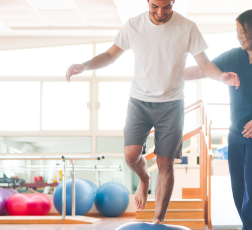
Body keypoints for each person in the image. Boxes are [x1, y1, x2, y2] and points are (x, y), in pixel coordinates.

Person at [65, 0, 238, 224]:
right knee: (131, 155)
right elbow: (109, 55)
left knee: (166, 164)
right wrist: (85, 65)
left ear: (174, 2)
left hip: (172, 103)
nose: (160, 12)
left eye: (166, 7)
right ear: (147, 2)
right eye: (155, 6)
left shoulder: (187, 27)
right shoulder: (133, 26)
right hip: (139, 101)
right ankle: (144, 178)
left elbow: (205, 64)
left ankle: (158, 221)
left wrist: (221, 77)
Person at [184, 9, 252, 230]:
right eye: (237, 31)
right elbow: (202, 70)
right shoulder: (234, 56)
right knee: (239, 193)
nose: (239, 36)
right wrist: (166, 73)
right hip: (236, 136)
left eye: (244, 31)